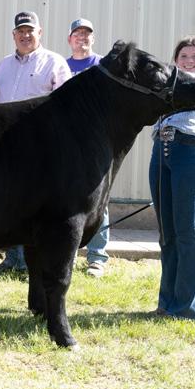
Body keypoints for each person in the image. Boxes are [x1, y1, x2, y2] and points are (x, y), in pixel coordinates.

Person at [0, 10, 72, 274]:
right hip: (5, 146)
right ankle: (12, 259)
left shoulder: (55, 63)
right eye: (20, 31)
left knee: (35, 205)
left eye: (30, 31)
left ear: (40, 33)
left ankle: (31, 261)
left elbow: (66, 106)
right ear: (13, 35)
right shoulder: (3, 65)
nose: (25, 35)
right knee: (10, 203)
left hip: (40, 147)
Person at [149, 35, 195, 319]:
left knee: (186, 231)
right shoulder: (168, 83)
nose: (189, 61)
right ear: (175, 61)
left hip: (191, 152)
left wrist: (167, 84)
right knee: (167, 233)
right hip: (161, 151)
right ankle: (167, 303)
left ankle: (191, 308)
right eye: (183, 57)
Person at [66, 17, 109, 277]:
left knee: (97, 197)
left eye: (86, 34)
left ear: (93, 38)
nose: (82, 38)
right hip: (67, 142)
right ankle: (67, 253)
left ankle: (97, 257)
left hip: (94, 141)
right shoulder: (62, 66)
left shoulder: (102, 66)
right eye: (77, 34)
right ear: (69, 39)